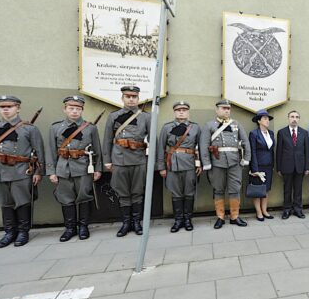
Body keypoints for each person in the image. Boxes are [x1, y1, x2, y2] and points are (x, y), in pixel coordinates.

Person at [0, 95, 44, 248]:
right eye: (2, 107)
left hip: (22, 171)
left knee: (23, 201)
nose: (6, 110)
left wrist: (38, 172)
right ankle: (9, 232)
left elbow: (39, 152)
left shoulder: (29, 129)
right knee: (5, 202)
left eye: (9, 106)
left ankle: (23, 232)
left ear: (18, 108)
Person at [46, 95, 102, 241]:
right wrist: (51, 171)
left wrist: (97, 169)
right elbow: (51, 151)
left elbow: (97, 150)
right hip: (63, 168)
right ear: (65, 109)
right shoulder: (55, 128)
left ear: (82, 110)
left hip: (83, 167)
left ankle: (83, 226)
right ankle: (70, 228)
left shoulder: (90, 128)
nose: (75, 112)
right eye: (71, 108)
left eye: (78, 109)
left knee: (84, 196)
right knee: (66, 198)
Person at [102, 86, 151, 237]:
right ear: (122, 98)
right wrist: (107, 161)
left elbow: (152, 140)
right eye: (128, 96)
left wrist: (151, 161)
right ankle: (125, 223)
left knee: (137, 192)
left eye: (134, 97)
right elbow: (107, 140)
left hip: (139, 159)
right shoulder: (114, 116)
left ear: (138, 98)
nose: (131, 99)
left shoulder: (146, 117)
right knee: (123, 193)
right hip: (119, 159)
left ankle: (136, 222)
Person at [200, 99, 251, 228]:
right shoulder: (209, 125)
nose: (226, 110)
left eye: (228, 108)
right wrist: (206, 162)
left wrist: (246, 158)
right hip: (217, 162)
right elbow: (204, 145)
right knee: (218, 189)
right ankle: (220, 217)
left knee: (235, 189)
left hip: (235, 162)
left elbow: (245, 142)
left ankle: (235, 216)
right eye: (223, 108)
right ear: (217, 110)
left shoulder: (236, 124)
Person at [157, 101, 202, 233]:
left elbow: (200, 147)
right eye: (178, 110)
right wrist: (161, 167)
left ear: (188, 112)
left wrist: (199, 164)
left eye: (184, 110)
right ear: (174, 112)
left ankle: (188, 219)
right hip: (172, 164)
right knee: (176, 193)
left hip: (189, 164)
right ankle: (178, 220)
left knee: (189, 192)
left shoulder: (195, 128)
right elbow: (161, 148)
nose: (181, 112)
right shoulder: (167, 127)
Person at [276, 110, 309, 219]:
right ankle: (287, 209)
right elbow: (279, 151)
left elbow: (307, 151)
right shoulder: (282, 132)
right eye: (292, 116)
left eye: (296, 117)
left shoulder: (304, 133)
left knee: (298, 189)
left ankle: (298, 209)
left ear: (299, 119)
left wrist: (307, 167)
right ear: (288, 118)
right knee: (287, 189)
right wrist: (278, 168)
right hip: (286, 166)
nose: (294, 119)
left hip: (300, 166)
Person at [249, 109, 276, 221]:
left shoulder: (271, 133)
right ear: (259, 121)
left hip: (268, 165)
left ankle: (264, 210)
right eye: (264, 118)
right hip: (258, 166)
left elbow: (272, 151)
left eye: (268, 118)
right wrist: (254, 169)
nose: (267, 120)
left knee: (266, 189)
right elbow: (253, 151)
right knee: (257, 189)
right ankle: (258, 212)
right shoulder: (254, 134)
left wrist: (273, 164)